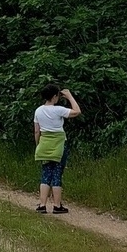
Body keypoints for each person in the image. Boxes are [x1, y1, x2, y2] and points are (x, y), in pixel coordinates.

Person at [33, 83, 81, 213]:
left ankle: (42, 205)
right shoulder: (58, 110)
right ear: (54, 96)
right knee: (57, 174)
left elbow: (37, 131)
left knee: (46, 173)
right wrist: (70, 97)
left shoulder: (38, 110)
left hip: (44, 145)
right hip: (59, 145)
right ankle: (57, 205)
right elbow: (77, 111)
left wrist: (38, 145)